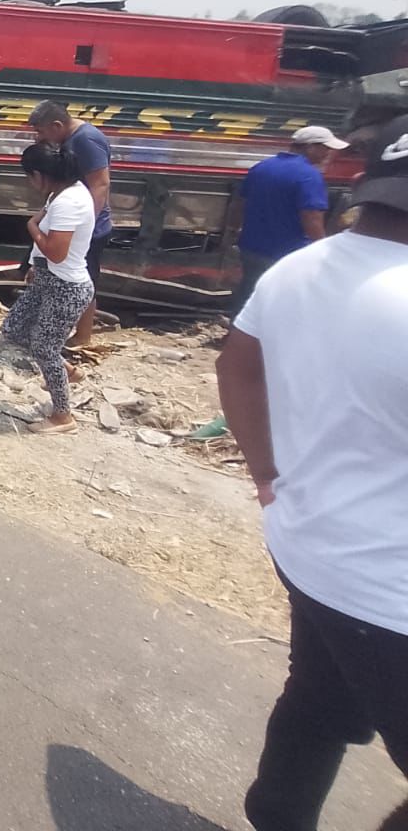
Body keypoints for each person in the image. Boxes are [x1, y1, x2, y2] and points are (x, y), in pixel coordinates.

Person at [216, 113, 408, 831]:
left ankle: (276, 815)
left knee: (319, 701)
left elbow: (235, 366)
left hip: (306, 542)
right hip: (389, 589)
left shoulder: (299, 270)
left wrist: (266, 474)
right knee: (319, 701)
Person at [0, 142, 96, 433]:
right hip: (48, 280)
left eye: (29, 176)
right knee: (14, 329)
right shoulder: (62, 193)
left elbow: (56, 252)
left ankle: (63, 416)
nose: (30, 183)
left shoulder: (68, 202)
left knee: (45, 348)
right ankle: (69, 372)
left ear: (40, 175)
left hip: (66, 288)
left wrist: (31, 226)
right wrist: (33, 264)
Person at [229, 125, 347, 312]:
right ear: (310, 147)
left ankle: (237, 326)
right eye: (325, 148)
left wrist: (233, 230)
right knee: (281, 298)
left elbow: (239, 203)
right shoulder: (309, 176)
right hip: (287, 252)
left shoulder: (262, 167)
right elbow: (312, 217)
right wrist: (321, 248)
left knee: (249, 291)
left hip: (251, 247)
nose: (328, 153)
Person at [28, 100, 111, 346]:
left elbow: (100, 184)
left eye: (41, 131)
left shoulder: (85, 140)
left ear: (56, 125)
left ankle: (83, 337)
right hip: (69, 221)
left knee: (82, 280)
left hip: (84, 227)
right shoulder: (71, 139)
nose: (39, 137)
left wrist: (83, 227)